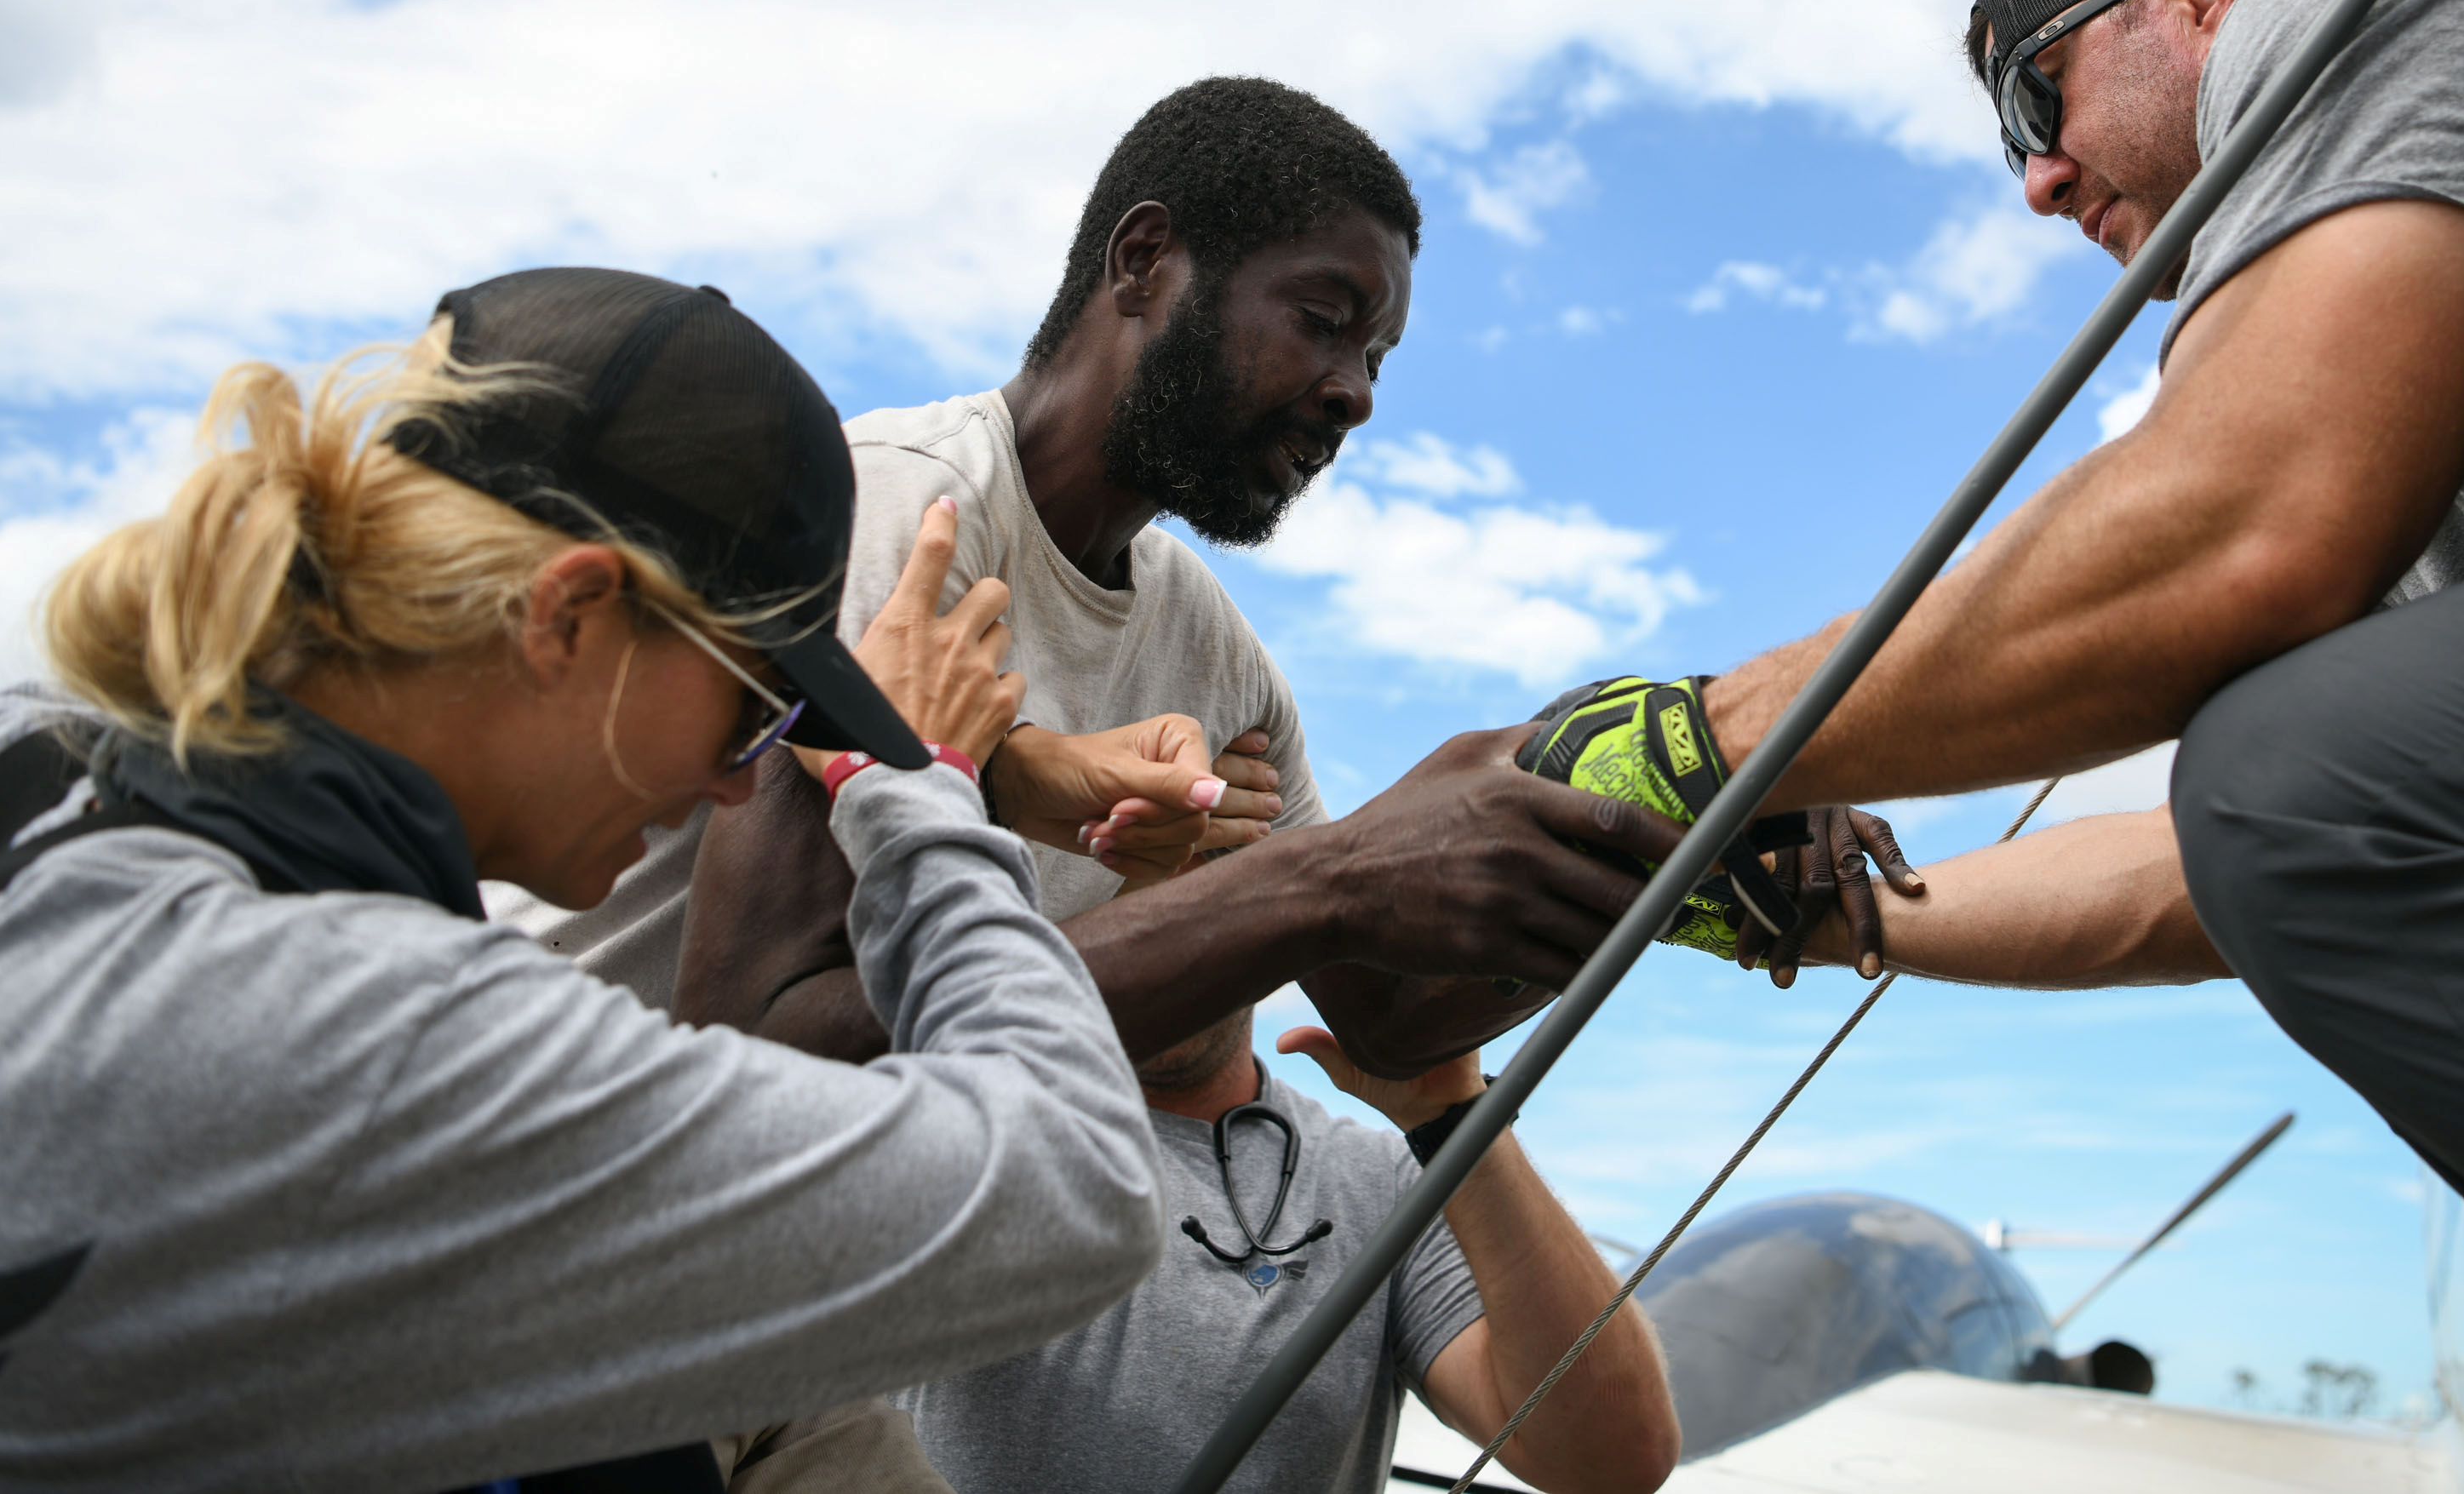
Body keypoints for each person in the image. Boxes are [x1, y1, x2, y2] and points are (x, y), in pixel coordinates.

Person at [1527, 0, 2464, 1493]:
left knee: (2297, 759)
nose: (2040, 185)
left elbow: (2248, 531)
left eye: (2034, 99)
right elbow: (2220, 871)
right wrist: (1816, 907)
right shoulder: (2402, 431)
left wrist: (1714, 741)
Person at [0, 266, 1675, 1491]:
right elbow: (1068, 1186)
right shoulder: (374, 1032)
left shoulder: (84, 810)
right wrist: (914, 791)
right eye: (753, 692)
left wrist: (993, 765)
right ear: (572, 614)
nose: (744, 769)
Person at [670, 75, 1909, 1079]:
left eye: (1379, 355)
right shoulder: (900, 511)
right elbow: (754, 1054)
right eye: (1324, 317)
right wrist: (1307, 885)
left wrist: (1667, 818)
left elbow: (1387, 1009)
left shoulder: (1213, 656)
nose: (1357, 394)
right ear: (1145, 261)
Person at [900, 1005, 1676, 1494]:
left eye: (1202, 870)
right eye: (1116, 870)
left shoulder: (1383, 1175)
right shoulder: (944, 1125)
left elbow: (1610, 1464)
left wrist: (1456, 1119)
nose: (1163, 906)